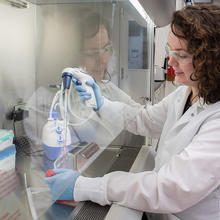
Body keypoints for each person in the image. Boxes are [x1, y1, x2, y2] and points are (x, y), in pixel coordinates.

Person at [45, 4, 220, 220]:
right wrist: (102, 105)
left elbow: (168, 188)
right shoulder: (185, 93)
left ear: (209, 60)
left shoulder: (216, 121)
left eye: (181, 55)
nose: (170, 63)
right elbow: (144, 119)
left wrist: (84, 186)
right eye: (169, 51)